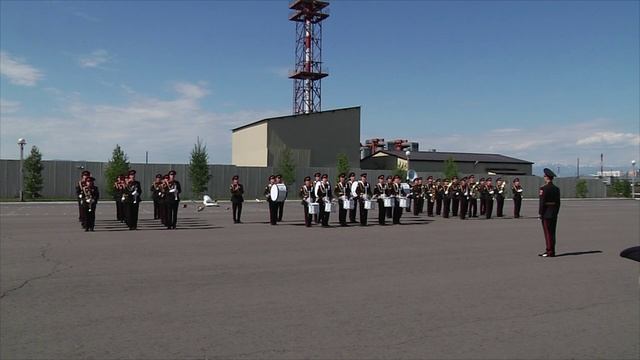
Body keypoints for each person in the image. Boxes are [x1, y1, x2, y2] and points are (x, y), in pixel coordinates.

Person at [539, 168, 561, 257]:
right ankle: (552, 250)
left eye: (544, 176)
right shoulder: (556, 189)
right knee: (552, 233)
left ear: (547, 177)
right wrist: (556, 212)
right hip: (554, 213)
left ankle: (549, 251)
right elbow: (558, 203)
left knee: (547, 233)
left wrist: (540, 213)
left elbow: (542, 202)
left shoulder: (544, 188)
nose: (544, 177)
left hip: (546, 213)